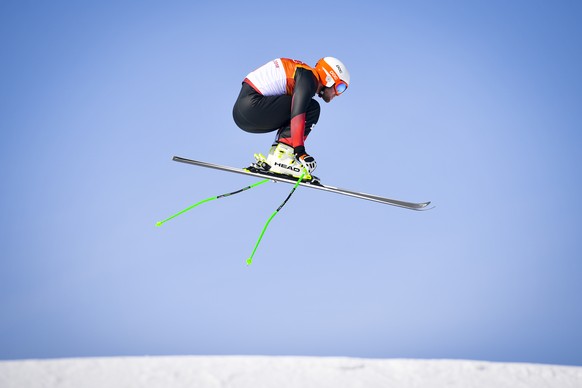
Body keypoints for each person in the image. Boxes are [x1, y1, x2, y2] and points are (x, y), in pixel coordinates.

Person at [232, 57, 350, 181]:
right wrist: (300, 152)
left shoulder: (304, 74)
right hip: (252, 107)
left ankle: (276, 157)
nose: (338, 94)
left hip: (244, 111)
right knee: (312, 108)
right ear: (329, 78)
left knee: (305, 105)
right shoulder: (309, 78)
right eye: (340, 87)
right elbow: (298, 113)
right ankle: (282, 159)